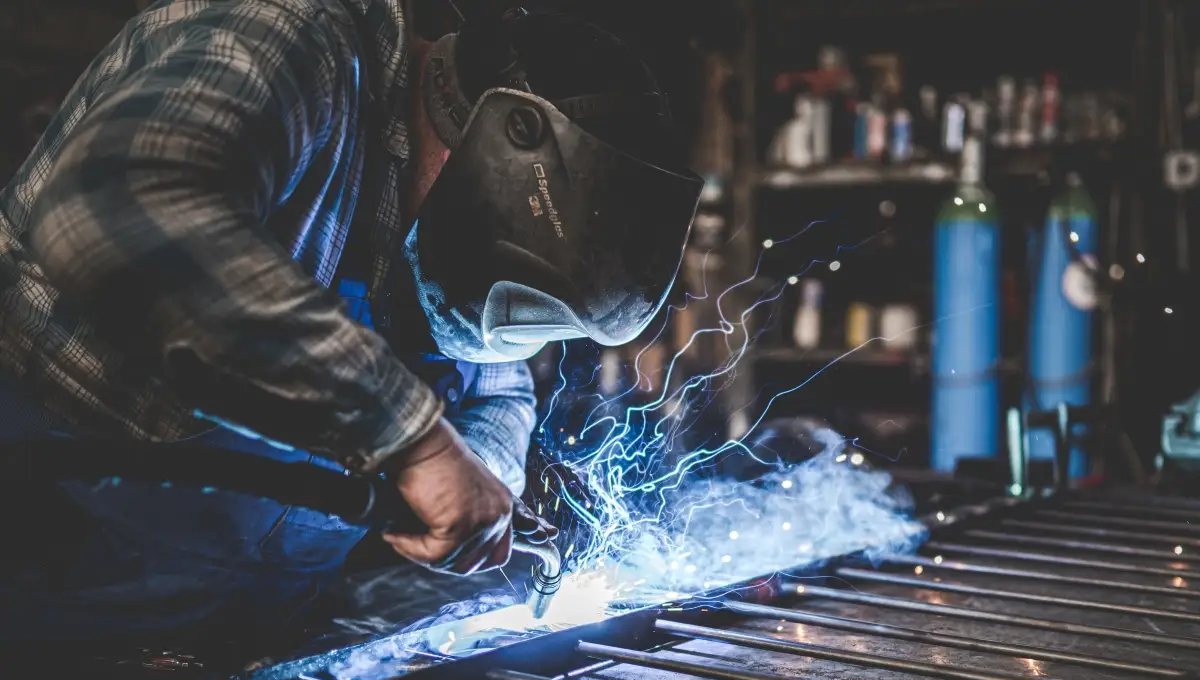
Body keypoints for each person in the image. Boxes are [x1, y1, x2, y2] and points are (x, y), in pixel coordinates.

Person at [0, 0, 702, 646]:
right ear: (497, 148)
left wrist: (477, 478)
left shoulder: (435, 226)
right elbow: (112, 213)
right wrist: (415, 443)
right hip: (36, 589)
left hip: (231, 652)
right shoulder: (289, 37)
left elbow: (498, 387)